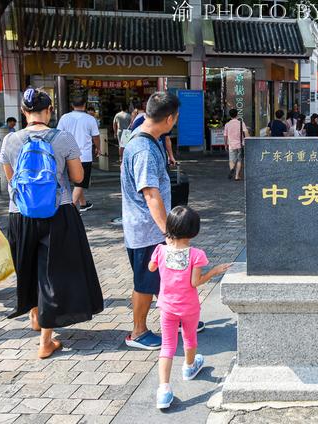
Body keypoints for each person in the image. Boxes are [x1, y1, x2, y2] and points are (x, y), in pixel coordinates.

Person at [0, 88, 103, 359]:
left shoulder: (10, 140)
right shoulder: (62, 137)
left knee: (28, 265)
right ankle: (46, 340)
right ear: (49, 111)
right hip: (58, 213)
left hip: (19, 214)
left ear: (23, 112)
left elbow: (11, 180)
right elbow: (78, 175)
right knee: (52, 272)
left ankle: (35, 316)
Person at [150, 205, 231, 409]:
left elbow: (151, 267)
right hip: (189, 307)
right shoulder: (196, 254)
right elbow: (195, 282)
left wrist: (163, 248)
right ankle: (189, 367)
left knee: (167, 346)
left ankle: (164, 390)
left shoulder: (160, 250)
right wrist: (215, 271)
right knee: (189, 337)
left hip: (167, 307)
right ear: (194, 230)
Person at [121, 91, 182, 351]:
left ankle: (176, 317)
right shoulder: (143, 149)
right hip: (146, 230)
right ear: (169, 119)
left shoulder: (150, 138)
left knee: (161, 279)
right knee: (145, 282)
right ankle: (138, 332)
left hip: (151, 228)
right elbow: (150, 194)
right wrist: (168, 231)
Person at [56, 95, 100, 213]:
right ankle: (71, 209)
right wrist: (98, 148)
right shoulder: (90, 119)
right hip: (84, 155)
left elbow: (58, 134)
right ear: (84, 105)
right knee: (81, 182)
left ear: (72, 105)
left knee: (77, 182)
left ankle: (83, 203)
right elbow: (96, 136)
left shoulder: (65, 117)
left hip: (67, 154)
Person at [223, 109, 249, 182]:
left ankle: (232, 169)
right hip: (240, 144)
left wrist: (225, 144)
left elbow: (225, 136)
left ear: (230, 115)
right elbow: (246, 132)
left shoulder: (227, 124)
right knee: (239, 160)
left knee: (231, 160)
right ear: (237, 115)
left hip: (231, 145)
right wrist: (248, 140)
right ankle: (237, 176)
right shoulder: (241, 123)